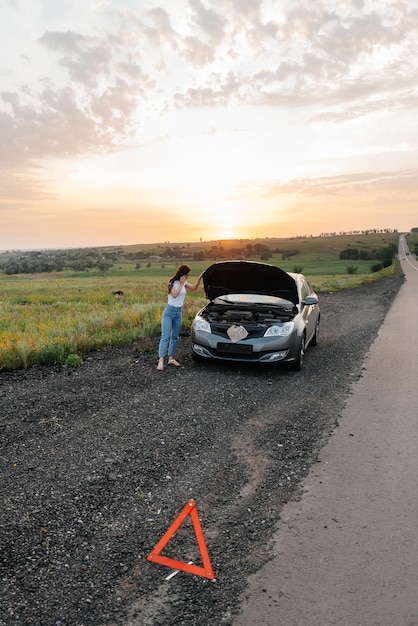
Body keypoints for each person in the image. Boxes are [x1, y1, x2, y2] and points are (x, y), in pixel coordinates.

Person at [157, 264, 203, 370]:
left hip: (178, 312)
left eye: (188, 275)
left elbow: (194, 288)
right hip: (169, 312)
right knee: (165, 336)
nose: (187, 277)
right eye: (186, 275)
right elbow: (174, 294)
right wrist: (182, 284)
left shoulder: (184, 282)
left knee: (175, 337)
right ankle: (161, 360)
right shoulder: (172, 282)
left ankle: (171, 358)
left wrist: (199, 278)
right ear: (182, 274)